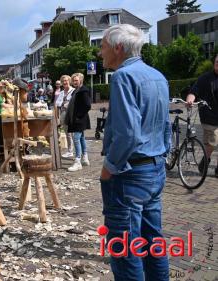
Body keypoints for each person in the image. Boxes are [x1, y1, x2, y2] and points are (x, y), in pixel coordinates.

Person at [100, 24, 171, 280]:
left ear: (118, 48)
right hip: (154, 168)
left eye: (103, 46)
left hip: (130, 173)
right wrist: (163, 157)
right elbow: (165, 125)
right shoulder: (157, 76)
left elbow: (128, 134)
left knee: (126, 248)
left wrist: (109, 168)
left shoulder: (122, 77)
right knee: (153, 241)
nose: (100, 53)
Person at [186, 53, 218, 178]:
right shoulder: (205, 78)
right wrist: (190, 100)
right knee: (213, 141)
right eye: (216, 62)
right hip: (209, 116)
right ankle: (206, 160)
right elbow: (194, 91)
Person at [65, 73, 91, 172]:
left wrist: (79, 116)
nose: (74, 82)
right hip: (77, 118)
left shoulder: (83, 90)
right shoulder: (76, 90)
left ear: (81, 80)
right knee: (81, 138)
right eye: (73, 80)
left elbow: (88, 105)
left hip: (79, 119)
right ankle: (85, 157)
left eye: (76, 80)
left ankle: (78, 161)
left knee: (76, 138)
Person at [55, 75, 75, 158]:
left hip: (72, 114)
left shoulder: (73, 91)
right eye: (63, 81)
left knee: (74, 134)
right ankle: (70, 151)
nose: (65, 82)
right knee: (67, 133)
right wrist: (64, 103)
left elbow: (73, 102)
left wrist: (64, 103)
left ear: (69, 81)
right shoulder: (62, 93)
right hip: (63, 114)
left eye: (66, 81)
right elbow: (57, 104)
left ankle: (78, 151)